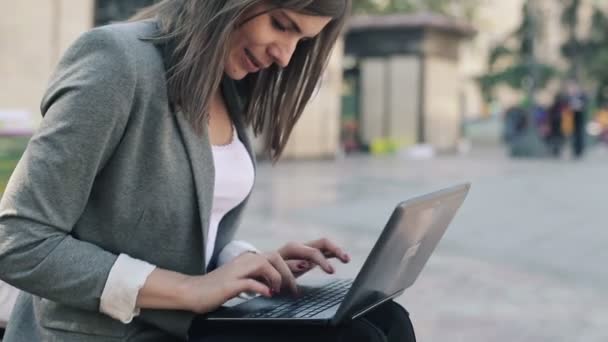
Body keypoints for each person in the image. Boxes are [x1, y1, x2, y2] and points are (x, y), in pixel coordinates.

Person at [0, 1, 416, 341]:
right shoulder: (116, 61)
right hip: (108, 331)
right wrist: (190, 290)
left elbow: (176, 230)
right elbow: (18, 241)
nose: (285, 56)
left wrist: (247, 263)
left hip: (179, 321)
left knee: (385, 319)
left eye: (301, 40)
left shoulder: (224, 83)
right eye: (280, 25)